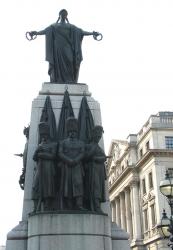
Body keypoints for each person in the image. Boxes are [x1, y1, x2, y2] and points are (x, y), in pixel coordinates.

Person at [28, 9, 101, 83]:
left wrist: (92, 33)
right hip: (57, 48)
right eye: (62, 14)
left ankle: (69, 79)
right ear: (59, 16)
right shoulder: (54, 26)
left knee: (70, 61)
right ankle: (58, 79)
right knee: (57, 64)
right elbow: (45, 31)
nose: (63, 15)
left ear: (66, 16)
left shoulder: (71, 27)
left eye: (65, 14)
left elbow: (81, 32)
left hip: (67, 47)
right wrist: (36, 33)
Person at [58, 117, 85, 210]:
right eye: (70, 131)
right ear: (68, 132)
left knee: (78, 184)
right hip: (66, 166)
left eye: (74, 131)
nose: (72, 133)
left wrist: (76, 160)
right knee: (68, 186)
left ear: (76, 132)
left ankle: (79, 204)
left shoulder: (81, 143)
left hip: (77, 166)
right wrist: (68, 160)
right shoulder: (63, 142)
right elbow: (60, 153)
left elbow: (82, 152)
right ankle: (69, 205)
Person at [32, 122, 57, 211]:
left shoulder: (53, 144)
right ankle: (35, 207)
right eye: (42, 135)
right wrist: (37, 150)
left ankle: (47, 206)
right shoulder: (40, 145)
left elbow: (53, 156)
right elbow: (34, 158)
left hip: (49, 167)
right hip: (39, 168)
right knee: (35, 186)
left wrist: (42, 155)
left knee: (48, 187)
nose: (43, 136)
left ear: (48, 134)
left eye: (45, 135)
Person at [84, 125, 106, 213]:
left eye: (99, 137)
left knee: (99, 188)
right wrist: (96, 157)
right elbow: (86, 157)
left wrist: (100, 158)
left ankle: (97, 205)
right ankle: (96, 206)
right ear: (93, 135)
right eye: (97, 136)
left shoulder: (99, 147)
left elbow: (103, 157)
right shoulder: (89, 146)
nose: (98, 138)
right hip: (93, 169)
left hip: (100, 170)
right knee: (95, 188)